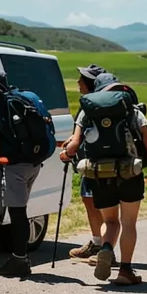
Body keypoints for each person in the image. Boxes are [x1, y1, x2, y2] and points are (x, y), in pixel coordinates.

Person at [62, 72, 147, 285]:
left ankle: (106, 248)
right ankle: (125, 271)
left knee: (110, 221)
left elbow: (73, 145)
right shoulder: (133, 111)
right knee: (129, 223)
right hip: (130, 173)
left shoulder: (86, 112)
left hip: (99, 174)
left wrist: (66, 154)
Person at [0, 68, 55, 278]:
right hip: (35, 162)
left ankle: (20, 260)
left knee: (17, 214)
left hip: (15, 166)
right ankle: (21, 257)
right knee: (21, 210)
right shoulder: (30, 97)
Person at [62, 63, 108, 261]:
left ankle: (103, 247)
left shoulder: (87, 107)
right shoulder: (112, 105)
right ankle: (100, 244)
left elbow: (78, 140)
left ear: (90, 83)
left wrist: (68, 151)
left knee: (96, 206)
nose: (78, 82)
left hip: (91, 163)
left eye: (82, 79)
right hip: (113, 162)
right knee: (102, 206)